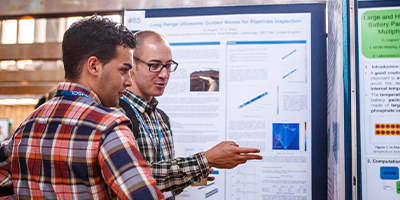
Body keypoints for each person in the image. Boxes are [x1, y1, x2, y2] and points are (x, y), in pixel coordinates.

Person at [0, 17, 164, 200]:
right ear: (94, 66)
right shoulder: (109, 128)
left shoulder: (26, 127)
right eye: (124, 70)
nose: (129, 81)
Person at [119, 30, 263, 199]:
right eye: (154, 65)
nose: (164, 74)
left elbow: (164, 185)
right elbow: (135, 180)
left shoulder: (161, 118)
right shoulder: (119, 115)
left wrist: (193, 175)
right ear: (131, 65)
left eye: (168, 66)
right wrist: (205, 160)